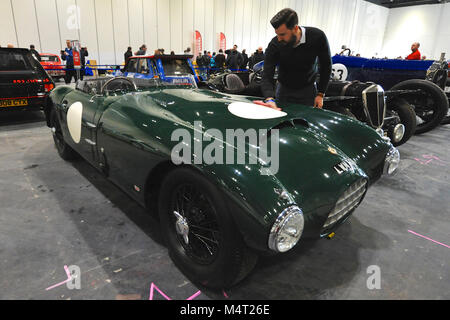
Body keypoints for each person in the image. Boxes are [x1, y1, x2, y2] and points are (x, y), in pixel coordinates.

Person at [261, 8, 331, 110]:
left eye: (282, 34)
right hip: (283, 90)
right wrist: (269, 99)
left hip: (308, 90)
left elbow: (326, 66)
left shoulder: (317, 37)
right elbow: (267, 74)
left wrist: (321, 94)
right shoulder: (275, 44)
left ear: (295, 28)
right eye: (277, 34)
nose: (279, 39)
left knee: (305, 121)